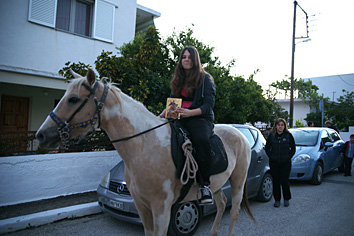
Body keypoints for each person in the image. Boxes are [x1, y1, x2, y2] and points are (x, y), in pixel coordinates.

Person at [159, 46, 216, 204]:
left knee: (201, 140)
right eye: (184, 57)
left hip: (200, 118)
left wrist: (191, 113)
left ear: (195, 59)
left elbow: (208, 105)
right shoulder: (178, 78)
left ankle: (205, 185)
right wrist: (159, 117)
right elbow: (172, 103)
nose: (186, 60)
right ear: (180, 60)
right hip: (179, 117)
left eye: (189, 57)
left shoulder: (205, 79)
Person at [265, 118, 296, 207]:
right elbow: (267, 148)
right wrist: (271, 157)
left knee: (285, 181)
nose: (280, 127)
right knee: (276, 181)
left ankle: (286, 199)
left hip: (285, 163)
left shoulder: (288, 135)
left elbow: (293, 148)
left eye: (282, 125)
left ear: (284, 126)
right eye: (278, 125)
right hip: (274, 163)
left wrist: (288, 157)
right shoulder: (271, 136)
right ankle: (277, 200)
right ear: (276, 126)